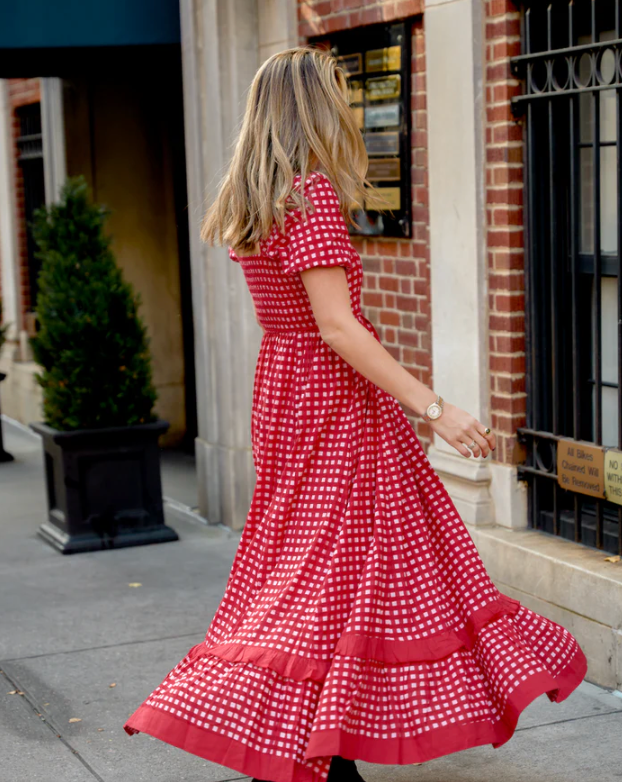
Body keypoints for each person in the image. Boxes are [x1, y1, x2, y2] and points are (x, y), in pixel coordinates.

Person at [124, 46, 588, 782]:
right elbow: (339, 328)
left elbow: (305, 324)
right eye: (337, 96)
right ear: (313, 107)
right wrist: (435, 409)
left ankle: (306, 740)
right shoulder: (308, 200)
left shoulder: (257, 201)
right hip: (329, 398)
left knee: (314, 570)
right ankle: (300, 740)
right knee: (331, 575)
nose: (345, 109)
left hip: (284, 389)